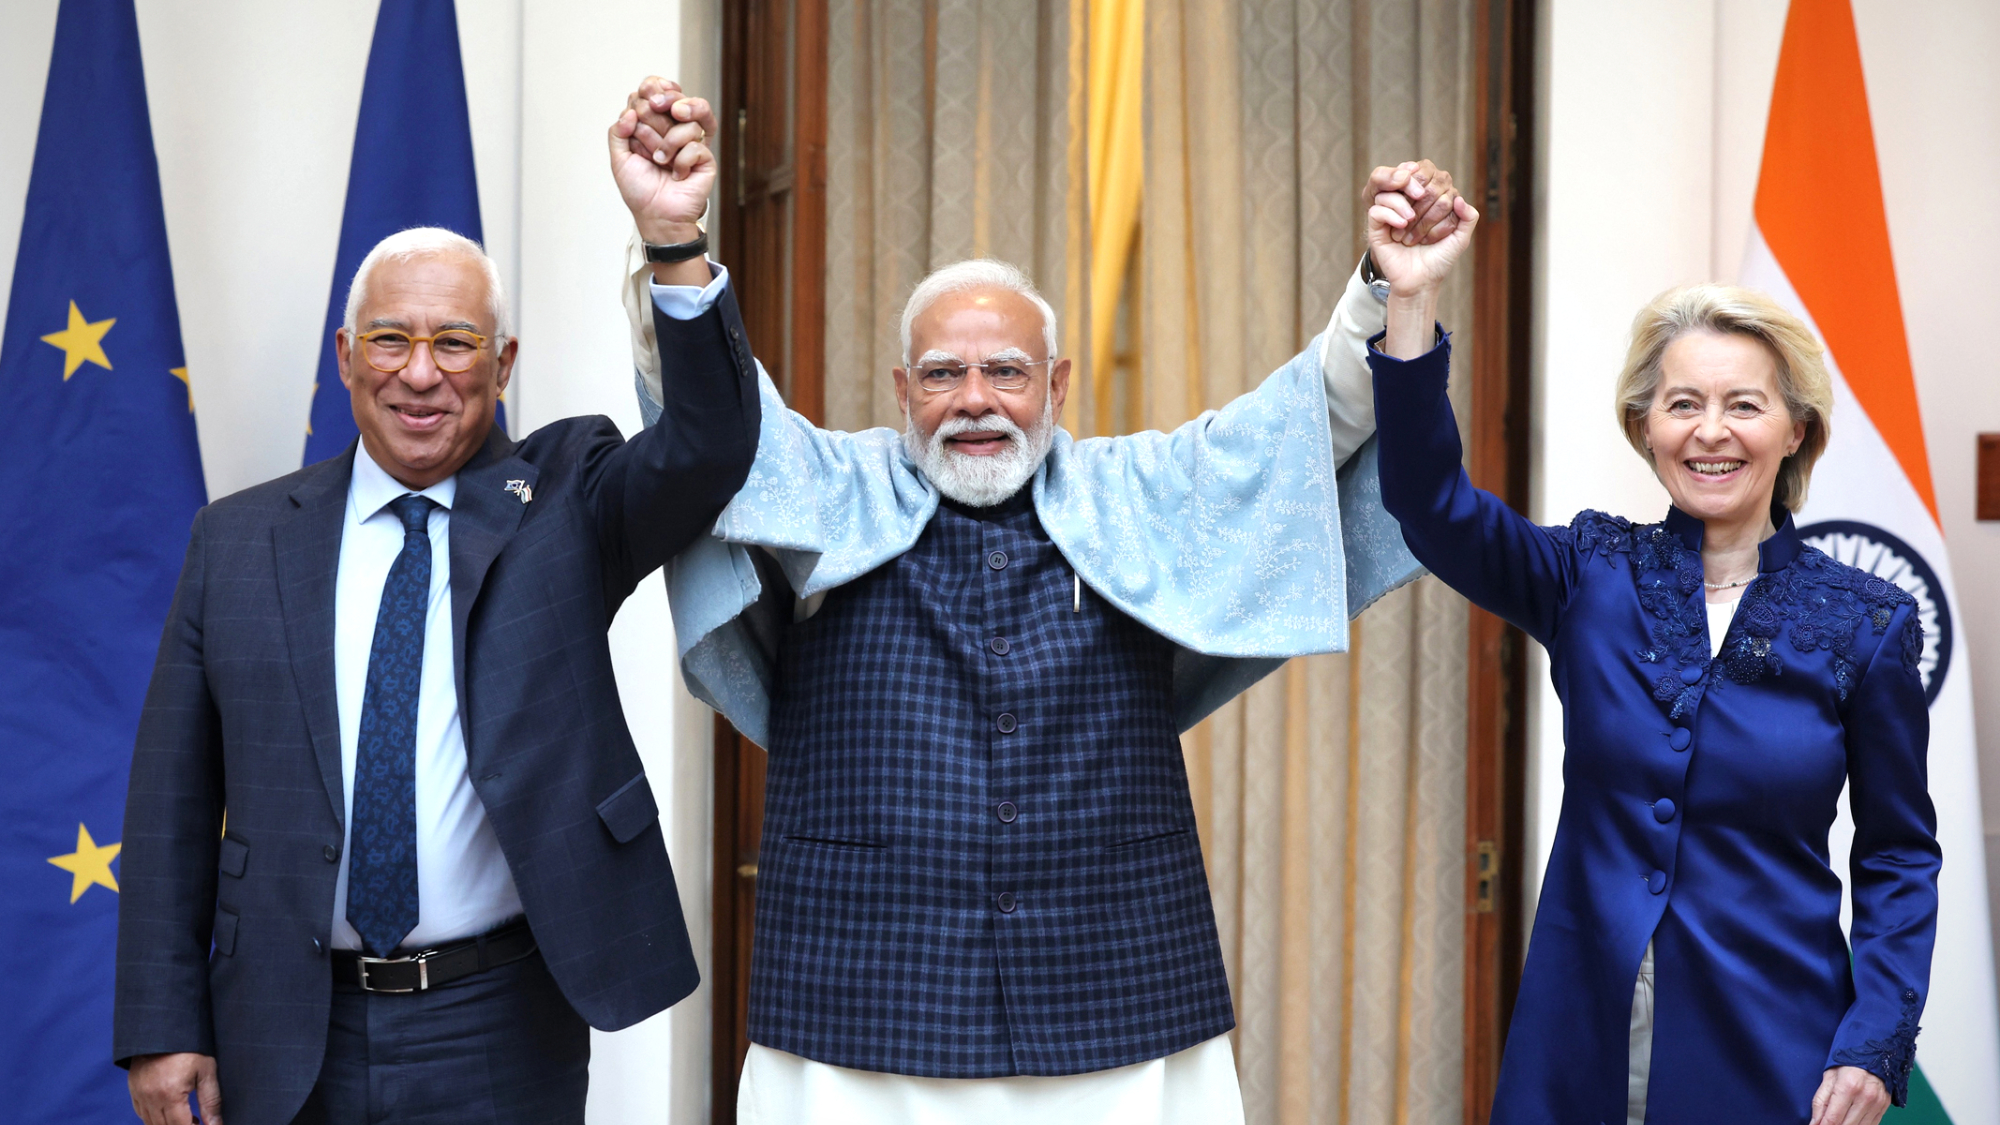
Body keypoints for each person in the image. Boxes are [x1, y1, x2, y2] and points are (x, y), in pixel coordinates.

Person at [615, 78, 1462, 1123]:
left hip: (1111, 990)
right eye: (942, 375)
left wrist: (1390, 284)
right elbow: (712, 419)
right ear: (899, 391)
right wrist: (672, 237)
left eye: (1005, 372)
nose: (974, 400)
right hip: (861, 997)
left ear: (1057, 387)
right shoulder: (827, 484)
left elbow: (1310, 420)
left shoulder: (1142, 489)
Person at [111, 85, 758, 1125]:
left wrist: (672, 239)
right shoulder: (234, 540)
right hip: (283, 1017)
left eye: (455, 343)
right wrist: (161, 1023)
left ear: (503, 366)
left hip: (499, 1017)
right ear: (345, 359)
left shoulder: (564, 499)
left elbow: (711, 449)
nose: (421, 375)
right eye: (390, 342)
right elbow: (173, 801)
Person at [1363, 179, 1937, 1124]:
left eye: (1744, 405)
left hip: (1776, 1043)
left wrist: (1876, 1039)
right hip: (1578, 1038)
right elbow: (1431, 505)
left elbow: (1898, 856)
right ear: (1645, 428)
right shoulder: (1589, 571)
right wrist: (1412, 298)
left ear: (1796, 430)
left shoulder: (1868, 623)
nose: (1711, 431)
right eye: (1682, 404)